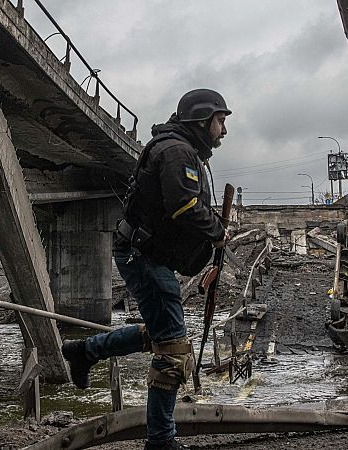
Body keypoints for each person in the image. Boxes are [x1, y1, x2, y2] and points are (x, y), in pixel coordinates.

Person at [62, 88, 231, 450]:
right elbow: (183, 206)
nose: (223, 131)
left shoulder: (179, 149)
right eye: (220, 121)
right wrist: (218, 231)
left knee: (158, 334)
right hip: (144, 256)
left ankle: (83, 352)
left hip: (145, 254)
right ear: (202, 120)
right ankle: (161, 440)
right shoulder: (176, 152)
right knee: (172, 349)